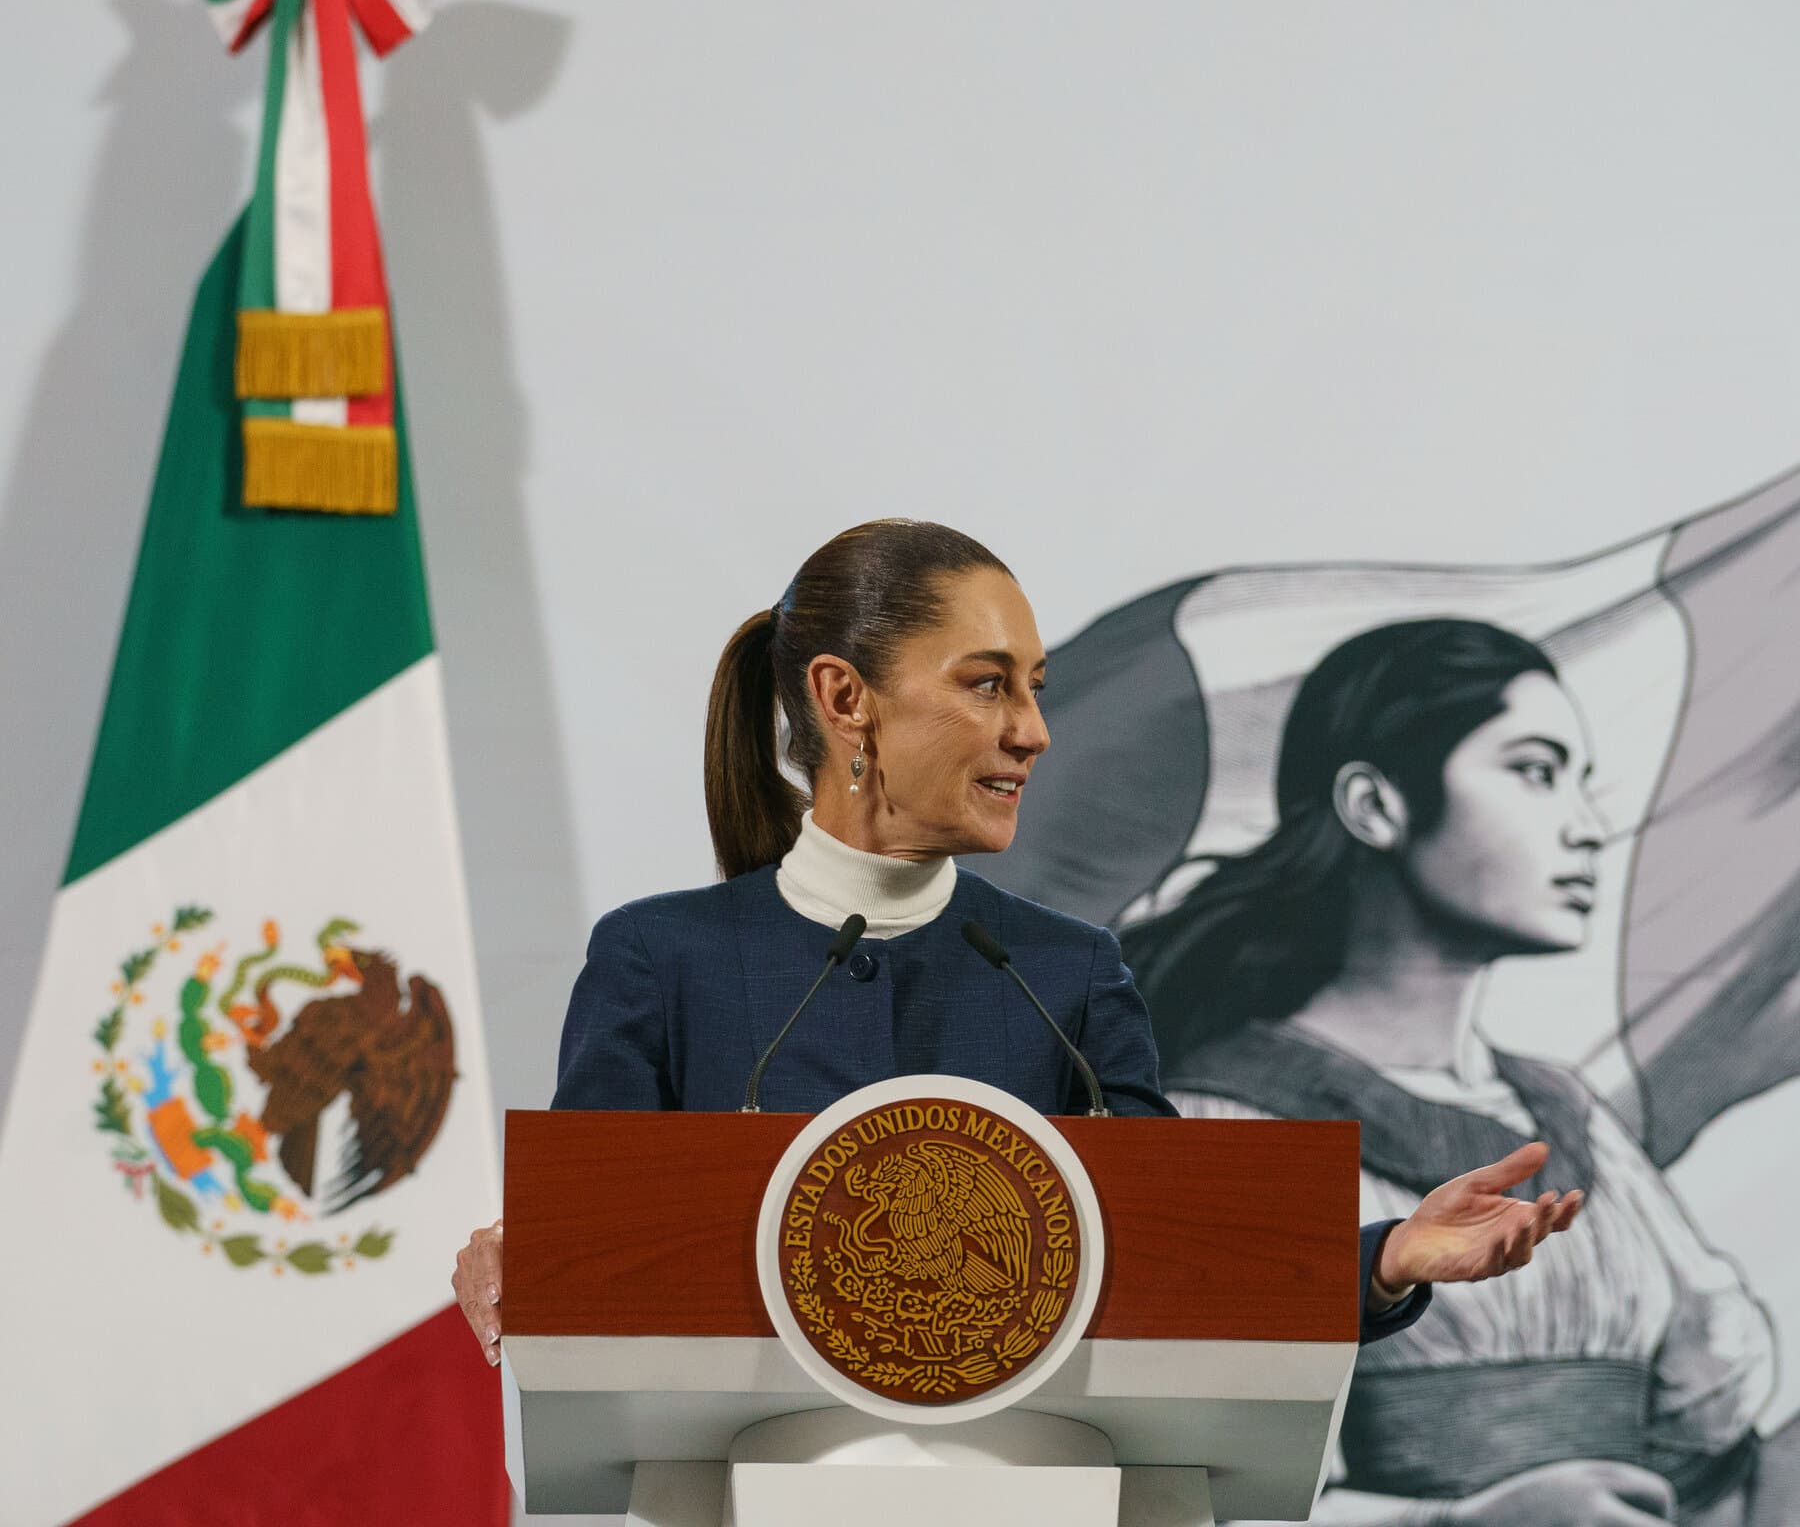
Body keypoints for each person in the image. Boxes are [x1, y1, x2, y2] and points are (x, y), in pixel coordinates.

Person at [453, 526, 1582, 1377]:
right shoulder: (662, 960)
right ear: (846, 699)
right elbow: (592, 1257)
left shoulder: (1064, 974)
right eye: (989, 684)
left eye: (1033, 690)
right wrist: (527, 1258)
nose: (1033, 730)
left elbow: (1179, 1262)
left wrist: (1382, 1262)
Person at [1122, 618, 1778, 1527]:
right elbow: (1179, 1492)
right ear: (1375, 806)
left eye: (1582, 784)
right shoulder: (1222, 1121)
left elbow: (1710, 1431)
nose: (1588, 829)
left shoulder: (1565, 1112)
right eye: (1536, 771)